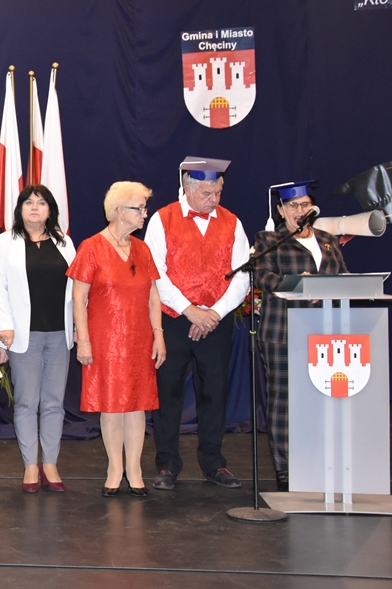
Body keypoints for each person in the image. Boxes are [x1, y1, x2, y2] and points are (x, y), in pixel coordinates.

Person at [144, 157, 249, 491]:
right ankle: (167, 464)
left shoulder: (232, 223)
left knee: (214, 392)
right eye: (206, 193)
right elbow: (155, 272)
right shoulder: (162, 219)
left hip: (216, 321)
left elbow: (242, 276)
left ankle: (214, 463)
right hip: (174, 321)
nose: (213, 200)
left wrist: (214, 313)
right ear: (187, 188)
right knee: (168, 393)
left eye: (217, 192)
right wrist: (190, 310)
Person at [69, 182, 166, 496]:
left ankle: (135, 470)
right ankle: (114, 469)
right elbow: (78, 298)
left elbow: (153, 296)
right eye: (140, 208)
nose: (145, 214)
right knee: (111, 406)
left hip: (139, 338)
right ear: (120, 211)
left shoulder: (142, 249)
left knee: (137, 405)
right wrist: (84, 340)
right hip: (105, 340)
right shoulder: (91, 247)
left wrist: (159, 335)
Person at [254, 181, 348, 491]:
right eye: (292, 206)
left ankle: (321, 463)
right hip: (283, 331)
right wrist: (299, 283)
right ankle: (286, 468)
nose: (299, 210)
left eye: (305, 204)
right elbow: (264, 277)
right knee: (284, 402)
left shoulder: (327, 240)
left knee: (323, 400)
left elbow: (343, 276)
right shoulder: (270, 240)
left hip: (326, 332)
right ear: (281, 210)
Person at [0, 185, 76, 493]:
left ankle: (49, 463)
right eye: (29, 202)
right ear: (20, 209)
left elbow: (77, 288)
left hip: (60, 334)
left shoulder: (64, 242)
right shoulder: (5, 242)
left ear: (50, 210)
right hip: (23, 335)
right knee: (26, 402)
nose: (35, 207)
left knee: (54, 403)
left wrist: (79, 326)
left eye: (41, 203)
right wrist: (3, 329)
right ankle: (29, 465)